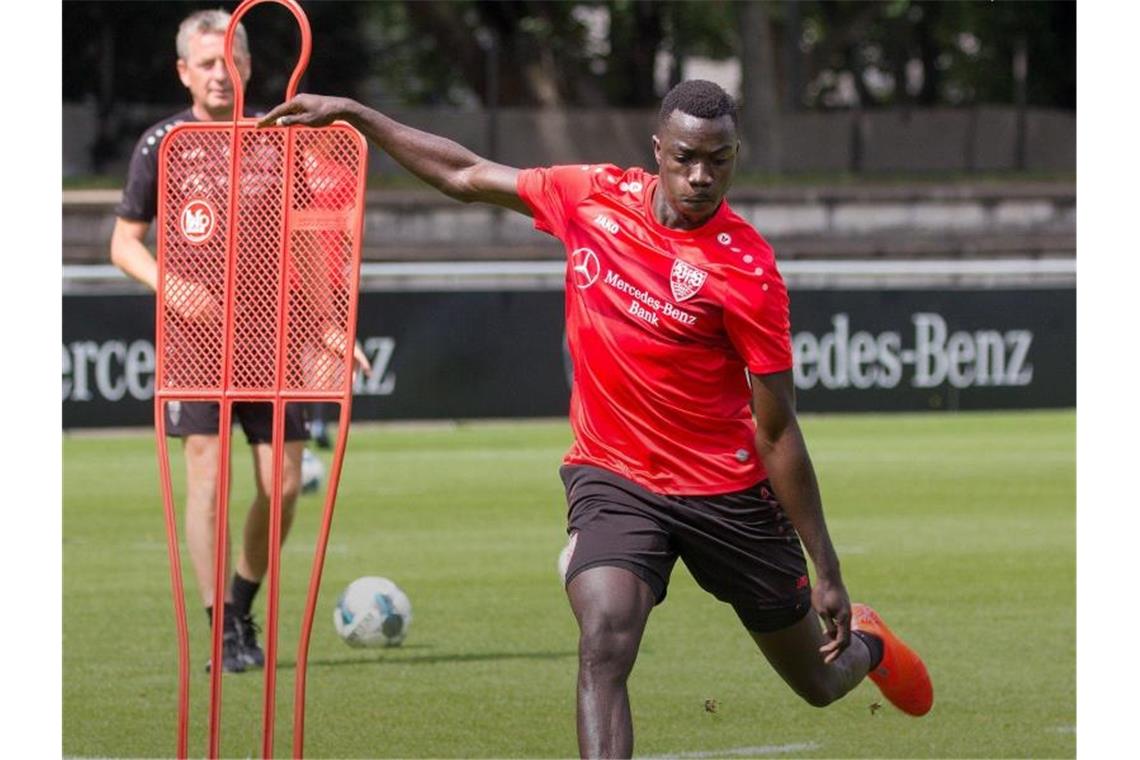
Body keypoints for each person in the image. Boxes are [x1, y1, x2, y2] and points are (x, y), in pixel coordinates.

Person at [260, 80, 933, 755]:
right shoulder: (591, 196)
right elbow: (464, 174)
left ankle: (871, 644)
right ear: (657, 151)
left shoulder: (749, 270)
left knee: (817, 682)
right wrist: (356, 115)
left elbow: (778, 429)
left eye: (720, 160)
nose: (702, 176)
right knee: (604, 639)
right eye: (686, 158)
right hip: (615, 478)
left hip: (726, 497)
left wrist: (828, 568)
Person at [110, 9, 370, 674]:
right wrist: (170, 286)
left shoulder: (276, 139)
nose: (218, 75)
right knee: (206, 476)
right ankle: (222, 628)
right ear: (183, 72)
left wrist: (333, 324)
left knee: (281, 484)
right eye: (204, 64)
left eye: (229, 62)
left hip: (273, 333)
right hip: (194, 339)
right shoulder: (162, 143)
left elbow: (308, 240)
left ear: (247, 67)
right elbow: (123, 244)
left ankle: (242, 602)